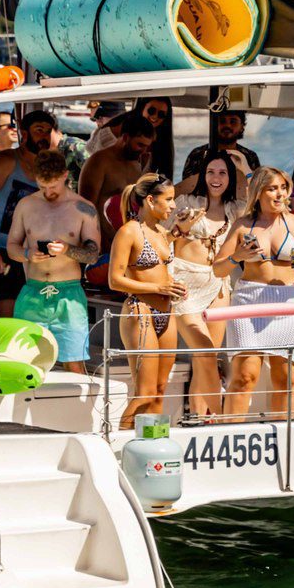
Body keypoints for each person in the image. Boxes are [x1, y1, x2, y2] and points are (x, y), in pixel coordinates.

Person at [218, 168, 294, 421]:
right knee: (244, 377)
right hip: (250, 299)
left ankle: (279, 439)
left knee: (287, 379)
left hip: (289, 301)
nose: (280, 193)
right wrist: (237, 257)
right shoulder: (243, 225)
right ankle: (231, 435)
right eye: (273, 188)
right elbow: (218, 267)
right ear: (259, 192)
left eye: (283, 187)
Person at [6, 149, 101, 374]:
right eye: (42, 186)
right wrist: (27, 254)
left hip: (69, 296)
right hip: (33, 292)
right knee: (24, 361)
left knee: (74, 363)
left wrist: (67, 249)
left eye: (54, 186)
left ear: (65, 176)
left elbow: (93, 254)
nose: (48, 192)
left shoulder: (83, 208)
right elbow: (11, 247)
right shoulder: (26, 205)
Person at [107, 173, 185, 430]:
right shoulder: (128, 232)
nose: (173, 206)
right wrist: (158, 286)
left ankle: (153, 442)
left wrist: (172, 288)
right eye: (169, 199)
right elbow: (115, 280)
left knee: (161, 390)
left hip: (166, 312)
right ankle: (117, 444)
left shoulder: (162, 232)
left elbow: (161, 271)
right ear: (150, 200)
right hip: (140, 310)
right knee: (144, 394)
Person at [167, 149, 240, 417]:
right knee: (205, 352)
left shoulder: (236, 208)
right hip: (186, 283)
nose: (216, 178)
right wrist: (180, 229)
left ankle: (201, 417)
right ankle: (221, 417)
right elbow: (162, 239)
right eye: (210, 172)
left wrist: (245, 168)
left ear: (231, 177)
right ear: (202, 175)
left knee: (207, 359)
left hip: (219, 285)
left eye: (222, 172)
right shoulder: (186, 201)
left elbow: (260, 194)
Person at [0, 109, 60, 317]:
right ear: (24, 134)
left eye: (47, 131)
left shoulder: (44, 169)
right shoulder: (6, 161)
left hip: (13, 250)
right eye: (38, 130)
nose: (44, 136)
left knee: (11, 311)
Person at [78, 112, 157, 282]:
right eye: (140, 145)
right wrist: (100, 243)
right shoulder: (99, 162)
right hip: (103, 246)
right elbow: (85, 207)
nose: (143, 150)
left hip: (127, 244)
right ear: (125, 137)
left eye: (147, 146)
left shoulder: (136, 164)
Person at [179, 108, 261, 191]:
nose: (227, 125)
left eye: (233, 121)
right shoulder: (197, 154)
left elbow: (256, 191)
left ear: (242, 126)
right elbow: (186, 189)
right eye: (222, 121)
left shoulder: (249, 156)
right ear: (214, 125)